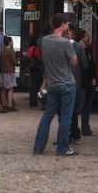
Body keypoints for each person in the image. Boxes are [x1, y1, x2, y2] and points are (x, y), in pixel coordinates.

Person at [32, 14, 79, 156]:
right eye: (68, 24)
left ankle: (38, 147)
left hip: (52, 83)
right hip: (66, 83)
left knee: (47, 115)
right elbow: (74, 62)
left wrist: (44, 83)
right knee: (66, 116)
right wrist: (70, 42)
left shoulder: (45, 41)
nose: (68, 27)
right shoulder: (65, 43)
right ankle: (63, 147)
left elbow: (46, 63)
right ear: (63, 24)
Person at [77, 31, 97, 137]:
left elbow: (91, 65)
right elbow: (84, 66)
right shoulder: (80, 50)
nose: (89, 38)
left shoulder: (88, 50)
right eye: (86, 36)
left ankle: (85, 128)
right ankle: (81, 128)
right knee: (81, 105)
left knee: (87, 106)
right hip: (83, 82)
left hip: (89, 81)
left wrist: (94, 77)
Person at [0, 37, 17, 111]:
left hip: (3, 72)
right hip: (10, 72)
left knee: (3, 89)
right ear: (9, 42)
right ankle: (10, 105)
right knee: (10, 89)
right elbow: (14, 62)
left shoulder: (2, 52)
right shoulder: (11, 51)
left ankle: (4, 105)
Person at [26, 36, 44, 109]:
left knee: (33, 86)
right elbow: (39, 57)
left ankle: (32, 103)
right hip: (37, 68)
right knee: (36, 86)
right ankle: (34, 104)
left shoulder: (30, 49)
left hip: (31, 68)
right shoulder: (37, 48)